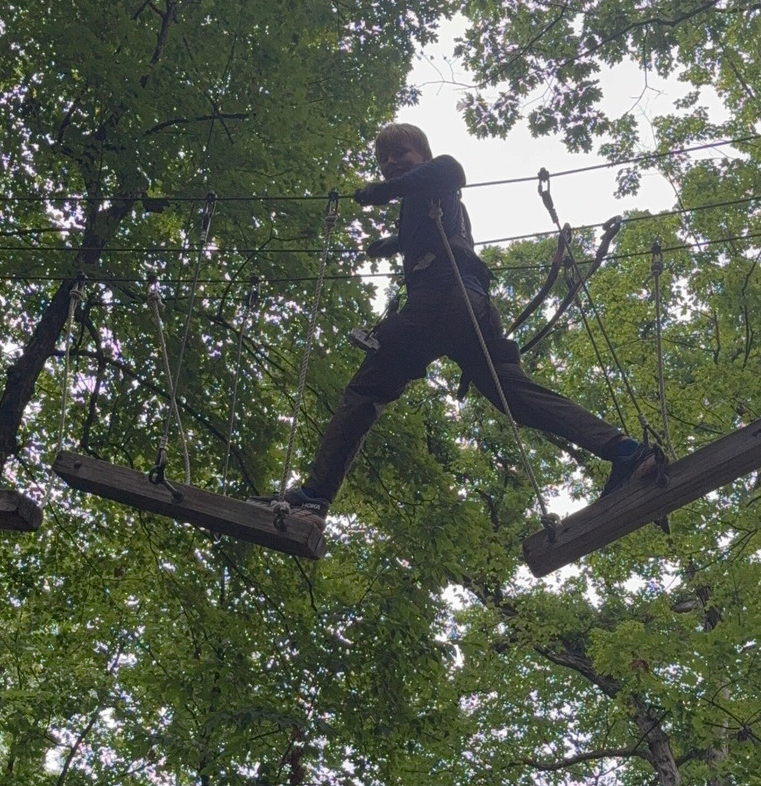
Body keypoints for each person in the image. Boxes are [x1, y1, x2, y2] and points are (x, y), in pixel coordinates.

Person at [254, 123, 655, 531]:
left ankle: (315, 496)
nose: (391, 163)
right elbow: (441, 229)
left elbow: (451, 170)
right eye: (384, 160)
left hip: (438, 302)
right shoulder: (429, 203)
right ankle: (626, 450)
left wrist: (380, 190)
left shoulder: (433, 179)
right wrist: (394, 244)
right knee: (513, 393)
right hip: (471, 309)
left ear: (422, 155)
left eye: (401, 154)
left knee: (365, 391)